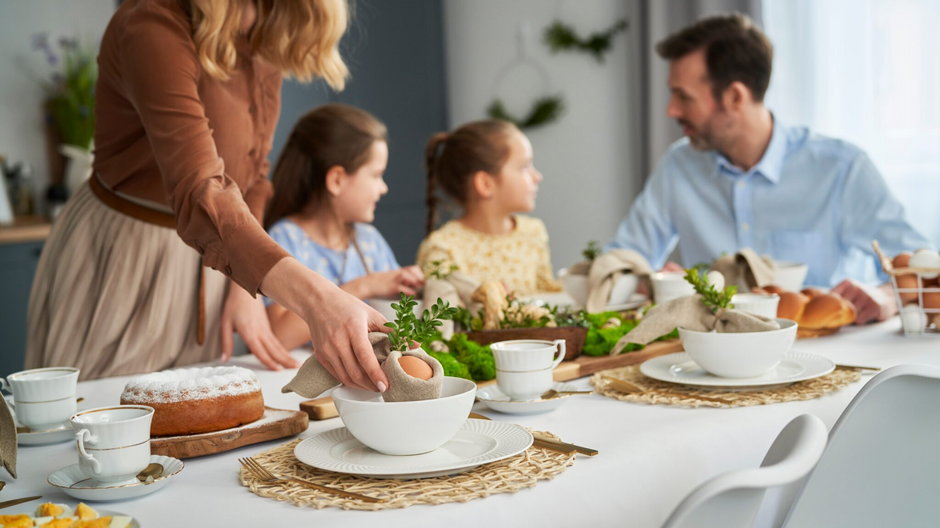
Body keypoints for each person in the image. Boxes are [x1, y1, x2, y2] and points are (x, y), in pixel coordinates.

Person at [26, 0, 390, 393]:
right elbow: (200, 188)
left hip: (217, 258)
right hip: (128, 259)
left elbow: (252, 174)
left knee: (193, 426)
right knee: (104, 418)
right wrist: (320, 302)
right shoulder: (151, 23)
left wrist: (243, 283)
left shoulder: (266, 25)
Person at [605, 13, 930, 324]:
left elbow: (923, 266)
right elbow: (621, 256)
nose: (671, 110)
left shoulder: (842, 168)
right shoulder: (679, 166)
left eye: (683, 96)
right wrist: (650, 280)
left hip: (828, 363)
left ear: (734, 96)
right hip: (707, 362)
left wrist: (886, 296)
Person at [263, 104, 424, 350]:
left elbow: (398, 321)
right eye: (376, 175)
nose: (384, 188)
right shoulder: (284, 239)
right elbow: (278, 338)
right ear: (337, 180)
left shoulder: (368, 240)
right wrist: (363, 286)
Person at [417, 120, 562, 295]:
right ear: (485, 184)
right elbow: (440, 314)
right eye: (524, 166)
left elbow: (547, 299)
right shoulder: (443, 247)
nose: (537, 176)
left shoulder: (534, 232)